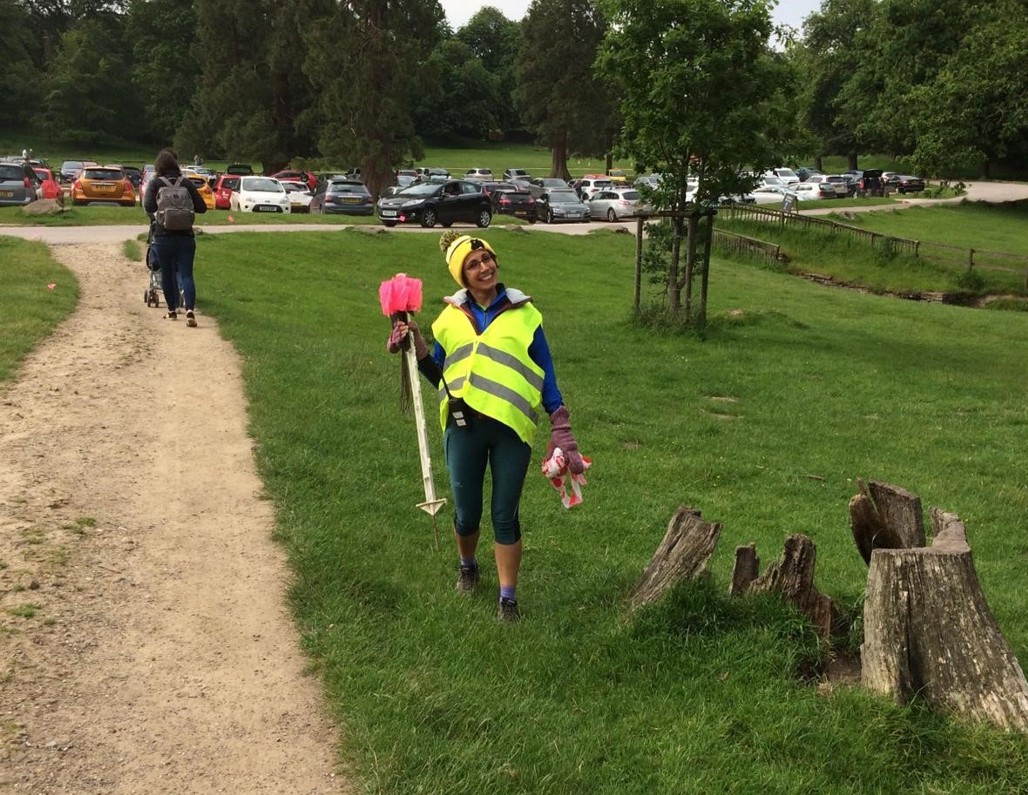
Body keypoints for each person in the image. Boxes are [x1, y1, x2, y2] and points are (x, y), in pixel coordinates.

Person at [387, 232, 585, 622]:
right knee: (467, 512)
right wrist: (417, 348)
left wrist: (559, 421)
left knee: (505, 514)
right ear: (462, 275)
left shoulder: (526, 313)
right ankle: (467, 566)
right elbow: (440, 375)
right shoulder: (449, 318)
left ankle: (507, 598)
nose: (484, 267)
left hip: (511, 430)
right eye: (473, 264)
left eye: (487, 258)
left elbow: (546, 371)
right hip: (463, 429)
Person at [143, 148, 207, 325]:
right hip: (186, 236)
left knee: (167, 273)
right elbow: (202, 207)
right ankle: (190, 311)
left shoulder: (156, 183)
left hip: (164, 236)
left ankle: (171, 311)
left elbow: (149, 206)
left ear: (158, 166)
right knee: (186, 274)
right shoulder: (186, 183)